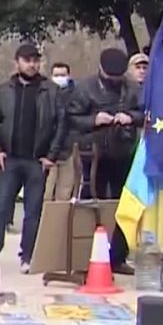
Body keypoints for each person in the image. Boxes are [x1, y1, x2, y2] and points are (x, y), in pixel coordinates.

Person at [0, 44, 67, 275]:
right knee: (0, 210)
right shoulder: (5, 90)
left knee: (33, 212)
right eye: (27, 60)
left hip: (37, 161)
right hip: (10, 159)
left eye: (35, 60)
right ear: (17, 62)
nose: (32, 64)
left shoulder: (51, 90)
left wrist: (52, 155)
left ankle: (28, 257)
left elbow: (61, 124)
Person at [68, 47, 143, 273]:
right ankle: (89, 256)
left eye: (118, 77)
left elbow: (144, 113)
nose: (114, 81)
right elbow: (71, 118)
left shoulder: (132, 88)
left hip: (124, 151)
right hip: (94, 154)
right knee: (93, 203)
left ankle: (118, 257)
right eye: (111, 77)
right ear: (101, 69)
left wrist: (130, 117)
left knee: (124, 205)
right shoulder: (85, 89)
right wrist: (94, 120)